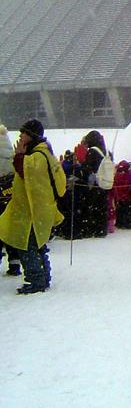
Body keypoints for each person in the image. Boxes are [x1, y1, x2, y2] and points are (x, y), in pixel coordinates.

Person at [0, 120, 65, 294]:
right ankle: (43, 276)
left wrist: (20, 156)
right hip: (39, 209)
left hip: (32, 211)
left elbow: (29, 177)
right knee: (37, 244)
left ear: (32, 135)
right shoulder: (44, 153)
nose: (20, 137)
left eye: (23, 134)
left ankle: (36, 280)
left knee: (27, 245)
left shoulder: (36, 156)